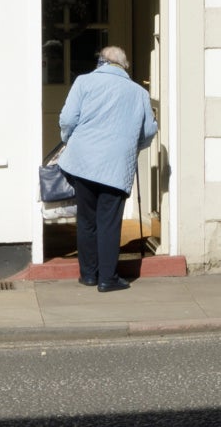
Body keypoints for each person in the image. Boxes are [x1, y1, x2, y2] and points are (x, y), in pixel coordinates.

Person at [55, 44, 160, 292]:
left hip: (82, 162)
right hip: (115, 166)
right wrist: (131, 146)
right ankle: (108, 278)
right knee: (109, 222)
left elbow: (68, 119)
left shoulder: (83, 82)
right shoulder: (139, 93)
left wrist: (70, 139)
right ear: (124, 66)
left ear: (101, 61)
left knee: (86, 219)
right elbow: (148, 131)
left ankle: (88, 275)